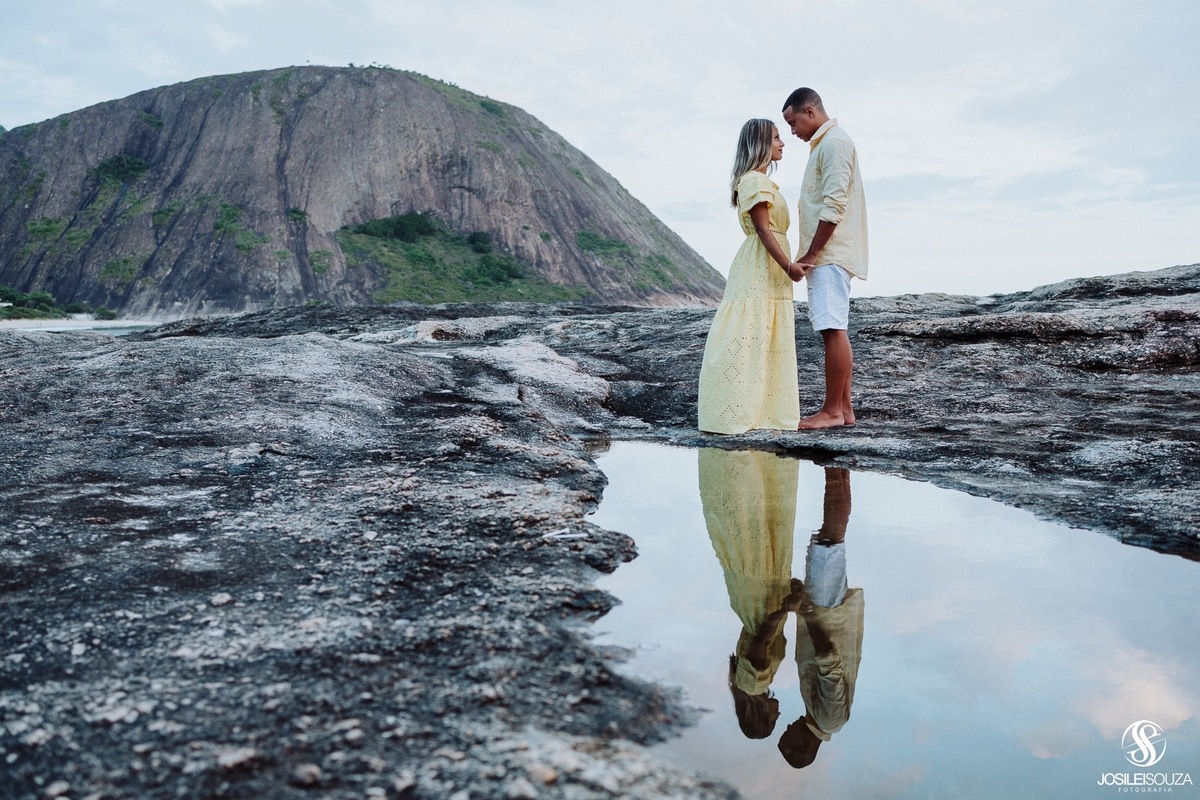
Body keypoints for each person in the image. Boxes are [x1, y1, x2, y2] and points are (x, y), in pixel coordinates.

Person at [697, 119, 805, 434]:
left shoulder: (762, 182)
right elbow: (762, 229)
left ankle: (766, 412)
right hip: (761, 265)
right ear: (759, 144)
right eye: (775, 138)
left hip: (771, 267)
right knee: (747, 335)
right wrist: (788, 265)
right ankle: (734, 412)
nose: (782, 143)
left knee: (765, 335)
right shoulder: (754, 182)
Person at [781, 88, 868, 430]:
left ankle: (832, 411)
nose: (792, 132)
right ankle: (843, 410)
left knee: (833, 329)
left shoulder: (834, 144)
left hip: (830, 253)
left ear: (810, 111)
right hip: (831, 252)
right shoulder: (829, 144)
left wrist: (812, 254)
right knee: (833, 328)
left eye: (793, 122)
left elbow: (834, 205)